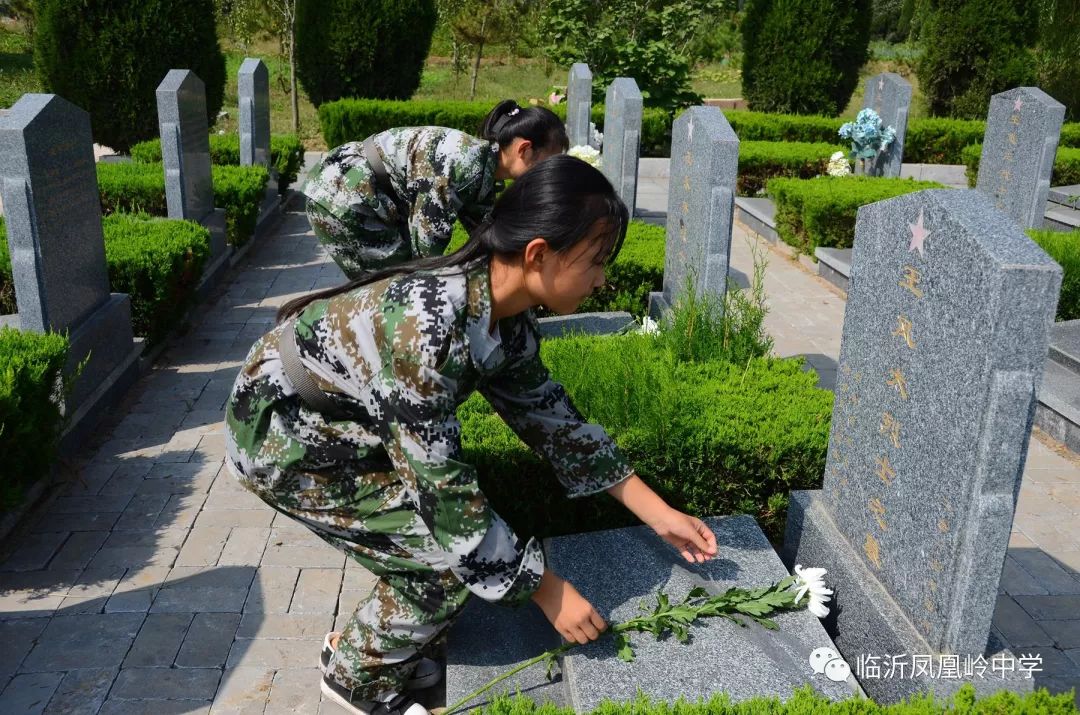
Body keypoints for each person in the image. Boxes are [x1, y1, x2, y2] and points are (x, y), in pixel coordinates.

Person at [224, 155, 719, 715]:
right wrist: (547, 591)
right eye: (596, 260)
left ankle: (384, 643)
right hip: (284, 437)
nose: (604, 278)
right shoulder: (428, 329)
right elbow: (446, 496)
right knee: (442, 567)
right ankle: (356, 679)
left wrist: (660, 515)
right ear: (539, 254)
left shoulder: (503, 308)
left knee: (450, 548)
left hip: (345, 422)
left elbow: (552, 419)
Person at [303, 99, 568, 279]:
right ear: (524, 149)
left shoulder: (484, 170)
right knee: (394, 286)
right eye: (550, 161)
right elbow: (426, 252)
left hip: (360, 196)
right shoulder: (463, 165)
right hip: (343, 195)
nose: (549, 173)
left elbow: (489, 235)